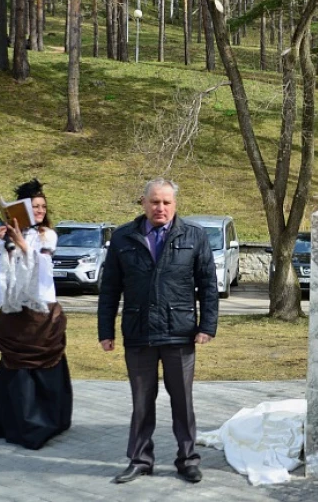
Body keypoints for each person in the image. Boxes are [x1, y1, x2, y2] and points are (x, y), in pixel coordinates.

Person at [97, 178, 219, 484]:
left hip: (180, 333)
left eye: (166, 202)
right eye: (154, 202)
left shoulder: (194, 235)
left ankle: (188, 459)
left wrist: (207, 326)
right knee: (141, 401)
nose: (160, 208)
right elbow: (110, 288)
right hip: (138, 333)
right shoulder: (124, 237)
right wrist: (105, 330)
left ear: (175, 204)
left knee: (183, 402)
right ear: (143, 202)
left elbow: (208, 286)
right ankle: (140, 459)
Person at [0, 179, 73, 450]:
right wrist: (6, 244)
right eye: (35, 206)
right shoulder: (8, 236)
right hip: (14, 309)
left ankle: (44, 421)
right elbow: (1, 272)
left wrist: (23, 244)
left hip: (41, 309)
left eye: (43, 206)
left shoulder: (47, 235)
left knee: (43, 364)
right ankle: (11, 419)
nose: (41, 210)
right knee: (13, 367)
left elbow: (41, 267)